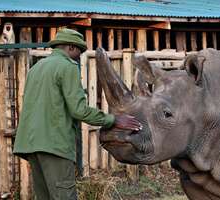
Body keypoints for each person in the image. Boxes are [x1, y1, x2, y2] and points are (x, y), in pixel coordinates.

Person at [13, 28, 141, 200]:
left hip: (30, 144)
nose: (79, 58)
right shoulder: (67, 66)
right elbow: (78, 110)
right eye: (79, 53)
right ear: (71, 48)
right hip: (54, 144)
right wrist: (113, 119)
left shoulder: (36, 68)